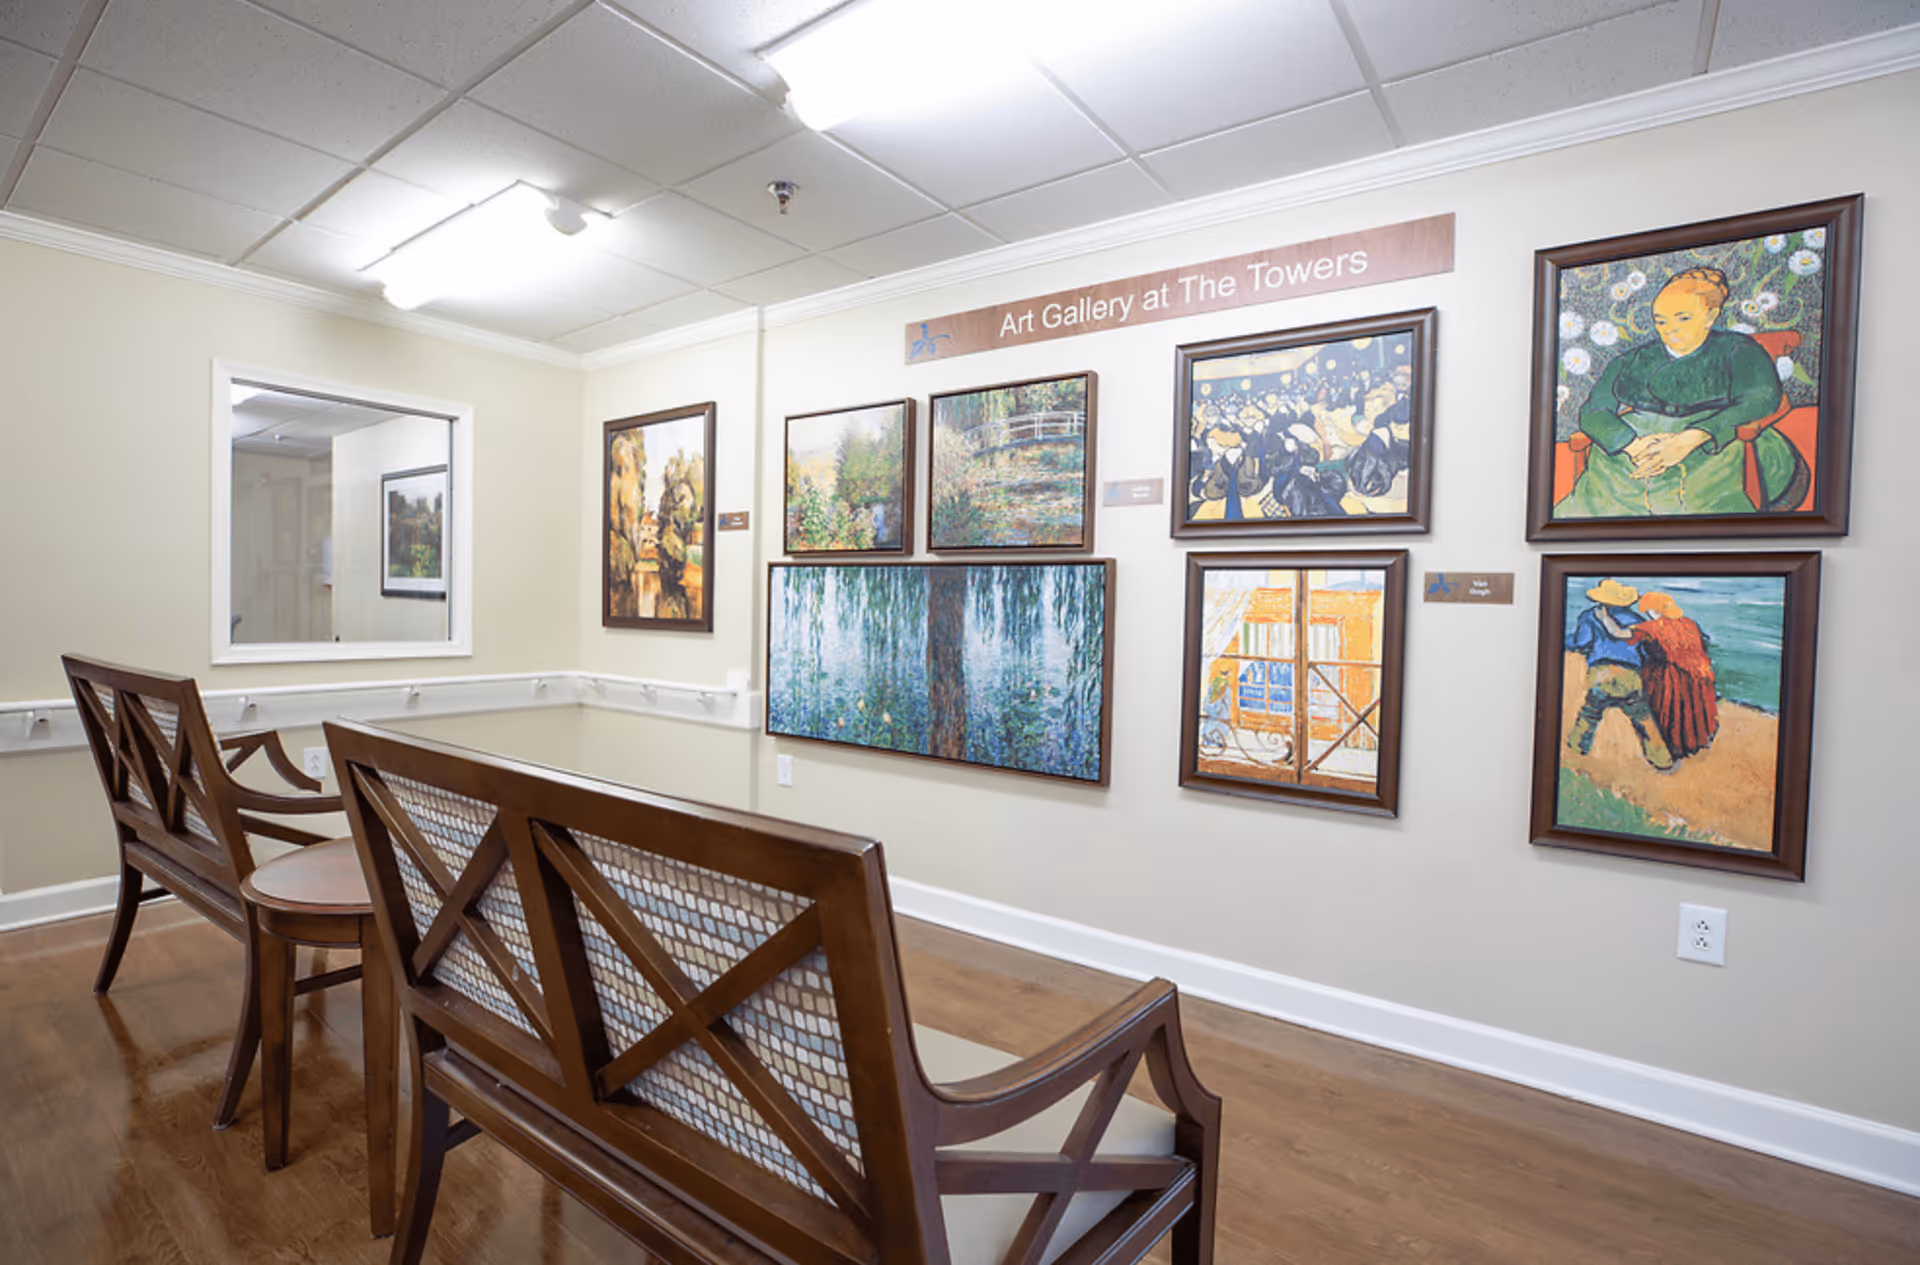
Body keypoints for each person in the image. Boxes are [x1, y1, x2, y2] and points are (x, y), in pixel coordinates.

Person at [1557, 267, 1806, 518]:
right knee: (1605, 489)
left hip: (1715, 439)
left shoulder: (1739, 350)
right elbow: (1593, 411)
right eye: (1661, 321)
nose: (1670, 330)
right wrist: (1632, 445)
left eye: (1683, 318)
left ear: (1710, 316)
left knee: (1700, 492)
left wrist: (1689, 440)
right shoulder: (1633, 360)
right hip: (1636, 446)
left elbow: (1762, 398)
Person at [1566, 579, 1673, 770]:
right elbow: (1645, 651)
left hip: (1601, 674)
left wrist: (1568, 642)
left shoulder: (1589, 616)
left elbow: (1581, 643)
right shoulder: (1637, 621)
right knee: (1643, 719)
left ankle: (1575, 751)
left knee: (1590, 714)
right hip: (1630, 676)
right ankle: (1661, 760)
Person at [1627, 592, 1719, 760]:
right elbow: (1703, 643)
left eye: (1647, 610)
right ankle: (1696, 744)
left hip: (1669, 676)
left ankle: (1675, 748)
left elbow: (1626, 637)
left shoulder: (1651, 627)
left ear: (1654, 610)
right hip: (1698, 674)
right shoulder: (1689, 623)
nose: (1647, 614)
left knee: (1670, 710)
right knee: (1692, 709)